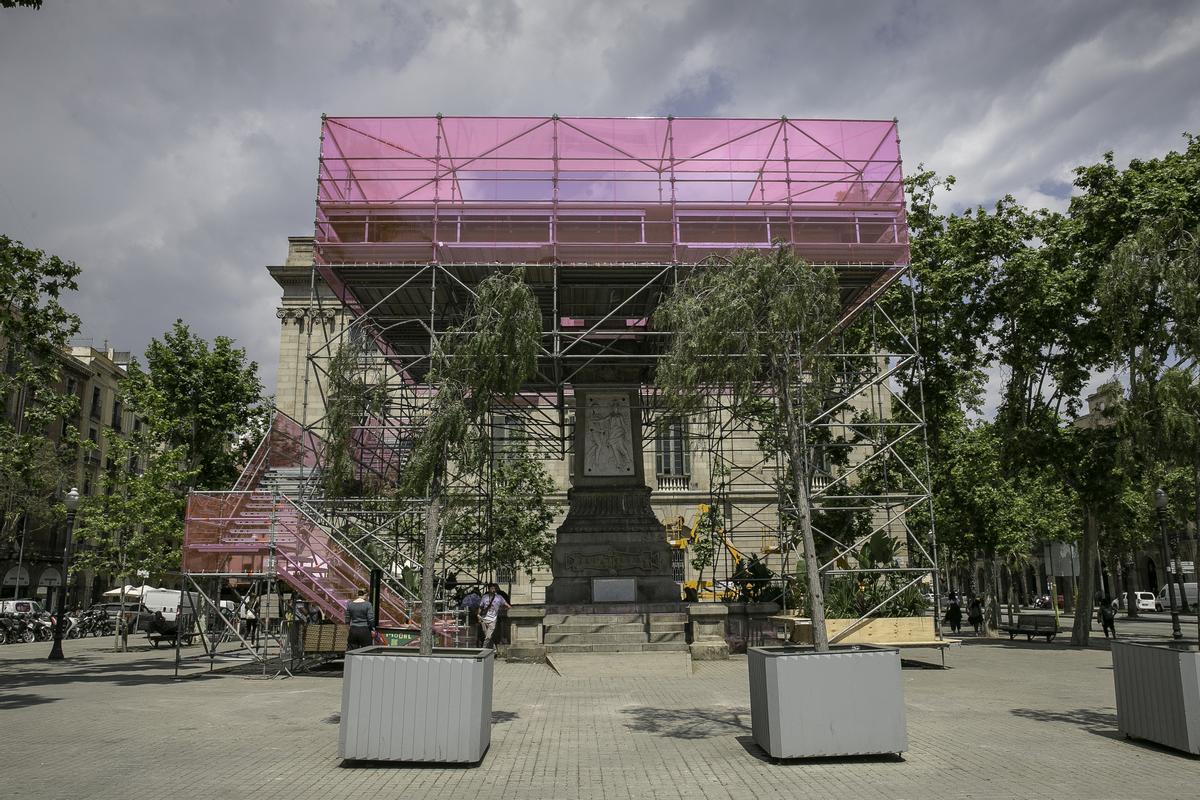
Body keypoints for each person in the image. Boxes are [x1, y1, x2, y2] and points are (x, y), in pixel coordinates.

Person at [478, 584, 510, 648]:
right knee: (487, 636)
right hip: (484, 618)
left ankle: (483, 649)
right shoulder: (485, 597)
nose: (493, 590)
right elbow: (480, 607)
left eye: (494, 588)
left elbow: (507, 605)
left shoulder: (499, 597)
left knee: (488, 636)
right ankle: (494, 650)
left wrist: (503, 610)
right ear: (489, 589)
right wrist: (478, 616)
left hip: (493, 619)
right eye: (492, 588)